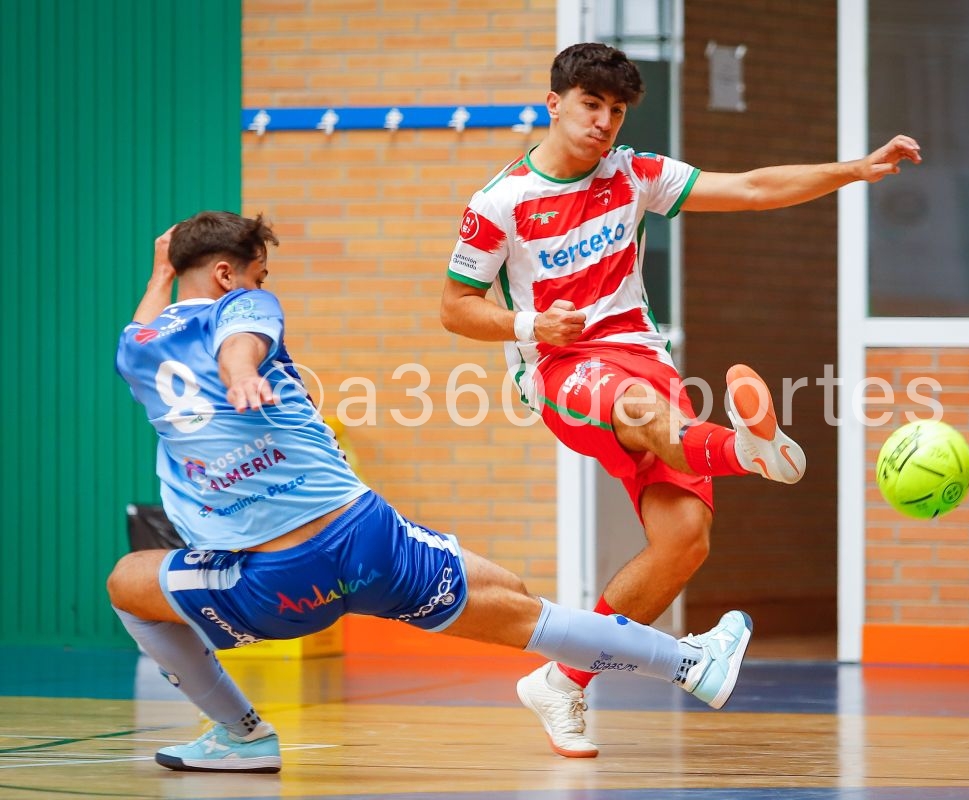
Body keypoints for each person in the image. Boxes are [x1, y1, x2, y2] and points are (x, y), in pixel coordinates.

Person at [109, 211, 754, 774]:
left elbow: (149, 326)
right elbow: (240, 336)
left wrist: (160, 273)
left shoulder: (136, 349)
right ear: (227, 274)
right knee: (523, 611)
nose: (261, 288)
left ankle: (242, 734)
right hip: (365, 540)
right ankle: (686, 664)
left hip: (268, 583)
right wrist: (243, 369)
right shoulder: (241, 308)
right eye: (258, 274)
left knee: (127, 583)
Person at [441, 42, 922, 758]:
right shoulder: (500, 203)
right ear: (555, 104)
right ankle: (750, 452)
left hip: (639, 351)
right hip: (562, 368)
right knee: (644, 411)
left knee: (683, 542)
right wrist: (527, 325)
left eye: (616, 110)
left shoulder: (635, 174)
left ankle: (562, 679)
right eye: (591, 106)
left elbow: (754, 189)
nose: (604, 122)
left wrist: (853, 170)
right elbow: (454, 307)